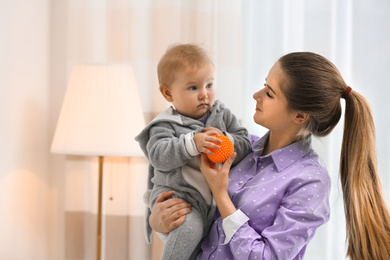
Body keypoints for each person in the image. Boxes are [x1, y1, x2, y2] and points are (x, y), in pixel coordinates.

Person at [149, 52, 390, 260]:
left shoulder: (310, 181)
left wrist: (222, 196)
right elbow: (204, 229)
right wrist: (162, 224)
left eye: (270, 93)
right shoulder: (239, 150)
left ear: (300, 116)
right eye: (264, 85)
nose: (257, 95)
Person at [135, 43, 252, 260]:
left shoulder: (222, 115)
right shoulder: (165, 125)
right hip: (179, 198)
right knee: (189, 231)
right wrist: (191, 143)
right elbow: (158, 156)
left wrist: (227, 140)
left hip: (210, 202)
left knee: (205, 244)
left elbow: (245, 143)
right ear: (168, 93)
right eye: (193, 88)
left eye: (209, 85)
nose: (204, 94)